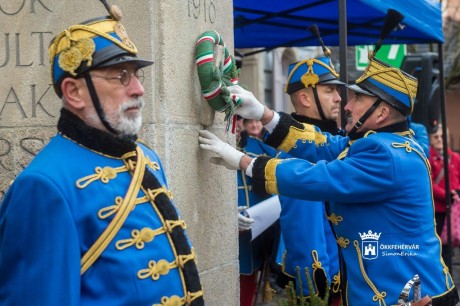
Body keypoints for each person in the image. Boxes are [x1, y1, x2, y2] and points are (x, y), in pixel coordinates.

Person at [198, 54, 459, 304]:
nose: (346, 105)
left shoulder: (385, 154)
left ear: (380, 114)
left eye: (357, 99)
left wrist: (245, 162)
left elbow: (321, 177)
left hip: (402, 296)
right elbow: (325, 145)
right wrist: (264, 114)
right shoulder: (383, 142)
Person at [0, 3, 204, 306]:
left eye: (136, 74)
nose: (138, 89)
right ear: (74, 93)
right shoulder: (42, 187)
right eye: (120, 75)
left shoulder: (145, 157)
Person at [275, 56, 342, 303]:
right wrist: (314, 292)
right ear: (305, 98)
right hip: (330, 284)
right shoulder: (298, 151)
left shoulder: (331, 140)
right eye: (329, 90)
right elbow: (304, 231)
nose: (338, 98)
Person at [236, 118, 281, 306]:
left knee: (249, 292)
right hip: (223, 239)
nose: (236, 124)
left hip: (256, 236)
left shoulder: (260, 149)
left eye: (237, 119)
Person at [429, 124, 460, 265]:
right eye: (436, 137)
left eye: (442, 136)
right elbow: (430, 184)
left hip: (455, 208)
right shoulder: (428, 159)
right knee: (443, 247)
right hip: (439, 211)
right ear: (431, 139)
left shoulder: (455, 157)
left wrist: (457, 192)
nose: (440, 139)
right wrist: (447, 194)